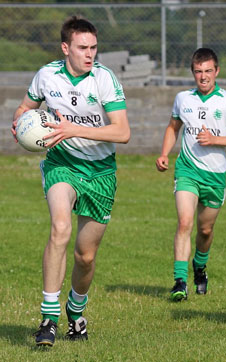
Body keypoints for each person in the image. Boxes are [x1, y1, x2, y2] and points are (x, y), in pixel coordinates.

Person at [11, 16, 130, 346]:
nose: (89, 54)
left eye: (93, 48)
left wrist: (74, 129)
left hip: (100, 173)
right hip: (61, 164)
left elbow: (123, 132)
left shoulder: (104, 80)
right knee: (60, 227)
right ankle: (48, 319)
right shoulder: (47, 75)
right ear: (66, 48)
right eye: (82, 48)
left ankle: (75, 312)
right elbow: (25, 107)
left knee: (85, 257)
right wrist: (21, 123)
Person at [156, 48, 226, 301]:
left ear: (217, 71)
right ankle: (179, 281)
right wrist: (165, 153)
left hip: (215, 176)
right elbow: (172, 127)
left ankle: (200, 266)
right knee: (185, 222)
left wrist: (215, 139)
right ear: (193, 73)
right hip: (187, 169)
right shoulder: (183, 99)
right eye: (198, 72)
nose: (203, 77)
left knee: (205, 230)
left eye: (208, 71)